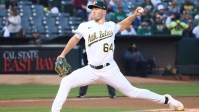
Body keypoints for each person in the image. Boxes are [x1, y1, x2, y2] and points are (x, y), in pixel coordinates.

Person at [51, 0, 184, 112]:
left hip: (109, 69)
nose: (93, 11)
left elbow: (125, 24)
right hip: (90, 69)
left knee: (132, 92)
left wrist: (135, 15)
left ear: (104, 11)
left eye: (96, 9)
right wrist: (62, 54)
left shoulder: (111, 26)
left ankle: (166, 99)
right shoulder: (85, 26)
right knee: (66, 81)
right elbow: (74, 39)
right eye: (92, 9)